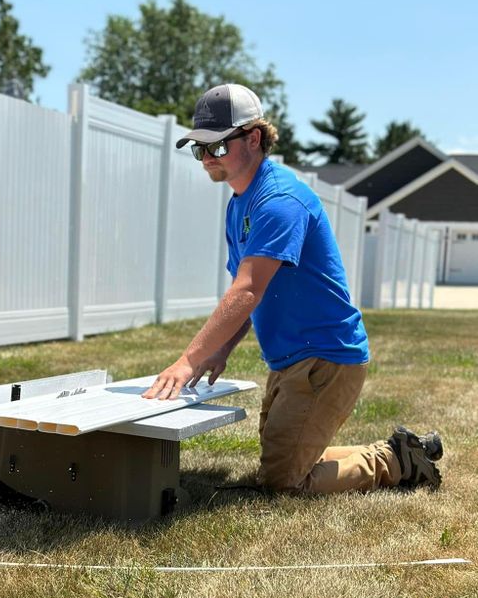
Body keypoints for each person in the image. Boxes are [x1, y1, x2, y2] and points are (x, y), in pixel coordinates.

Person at [143, 83, 442, 493]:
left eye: (217, 146)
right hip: (293, 358)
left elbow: (247, 290)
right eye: (200, 149)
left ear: (253, 138)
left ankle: (396, 461)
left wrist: (188, 362)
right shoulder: (239, 204)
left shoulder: (280, 199)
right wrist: (222, 349)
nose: (208, 158)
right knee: (286, 458)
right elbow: (247, 295)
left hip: (325, 358)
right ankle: (401, 450)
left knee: (284, 481)